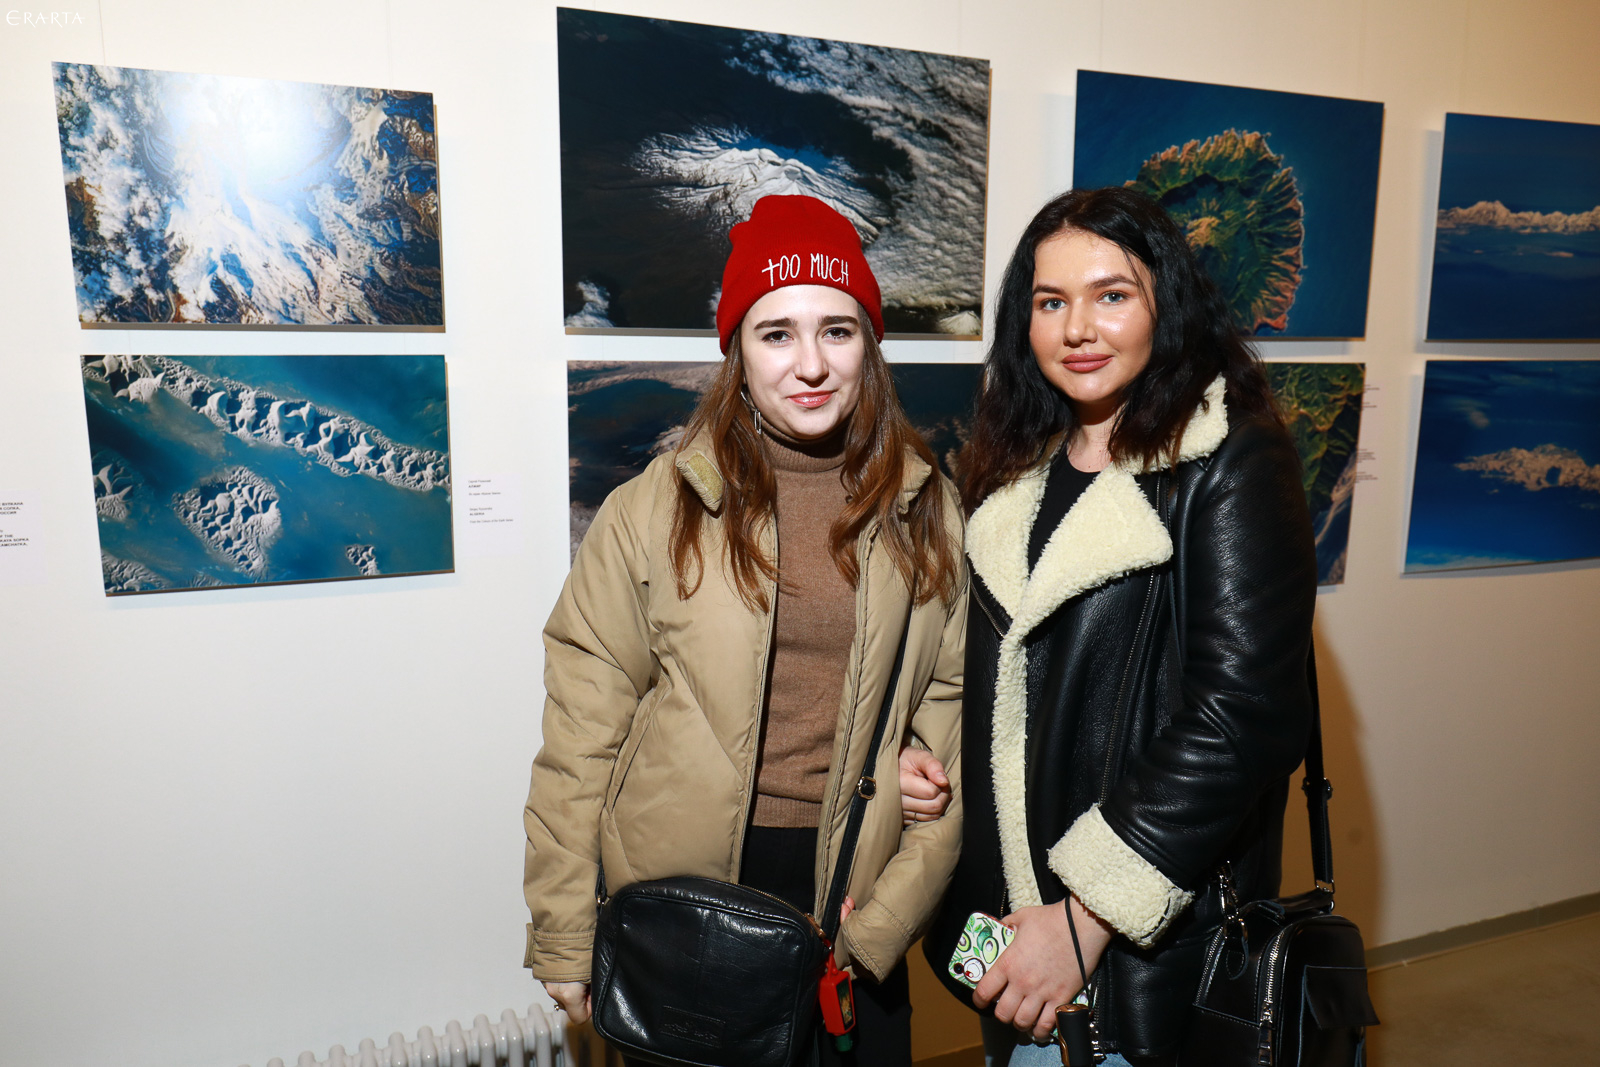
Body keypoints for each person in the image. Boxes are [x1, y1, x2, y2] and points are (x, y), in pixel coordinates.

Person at [524, 194, 968, 1066]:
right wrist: (565, 931)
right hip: (682, 918)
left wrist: (883, 923)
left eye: (837, 330)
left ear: (869, 344)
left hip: (850, 898)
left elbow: (950, 721)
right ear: (737, 350)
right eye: (777, 333)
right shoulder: (649, 511)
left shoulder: (927, 509)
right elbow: (581, 736)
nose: (811, 364)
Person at [922, 186, 1318, 1066]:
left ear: (1164, 304)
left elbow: (1245, 713)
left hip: (1140, 954)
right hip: (1019, 942)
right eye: (1050, 302)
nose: (1078, 329)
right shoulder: (1010, 469)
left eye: (1112, 294)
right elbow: (1004, 691)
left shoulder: (1229, 459)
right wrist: (930, 759)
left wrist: (1089, 910)